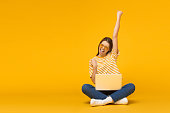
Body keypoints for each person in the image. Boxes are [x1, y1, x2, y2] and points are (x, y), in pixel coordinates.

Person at [82, 11, 135, 107]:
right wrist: (95, 67)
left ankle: (102, 101)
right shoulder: (92, 60)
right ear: (99, 45)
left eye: (106, 47)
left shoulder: (112, 56)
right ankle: (116, 99)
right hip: (101, 90)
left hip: (115, 89)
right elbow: (94, 81)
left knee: (131, 86)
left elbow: (115, 36)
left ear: (109, 50)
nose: (103, 48)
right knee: (85, 87)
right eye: (102, 45)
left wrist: (118, 16)